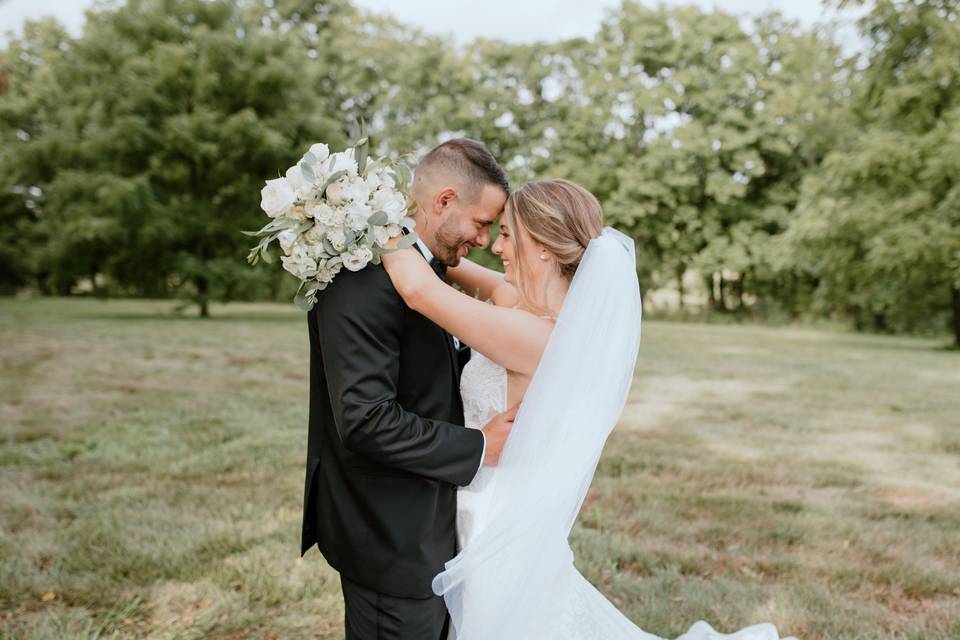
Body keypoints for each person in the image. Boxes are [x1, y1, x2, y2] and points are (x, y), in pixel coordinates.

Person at [381, 178, 795, 640]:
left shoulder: (537, 338)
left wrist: (365, 220)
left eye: (505, 235)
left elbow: (419, 291)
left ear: (540, 247)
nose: (494, 247)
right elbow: (459, 270)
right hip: (492, 505)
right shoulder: (536, 310)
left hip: (493, 520)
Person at [300, 138, 518, 640]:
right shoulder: (362, 278)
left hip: (431, 528)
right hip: (388, 535)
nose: (483, 240)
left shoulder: (419, 270)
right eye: (481, 223)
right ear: (443, 201)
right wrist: (482, 445)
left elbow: (424, 377)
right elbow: (365, 418)